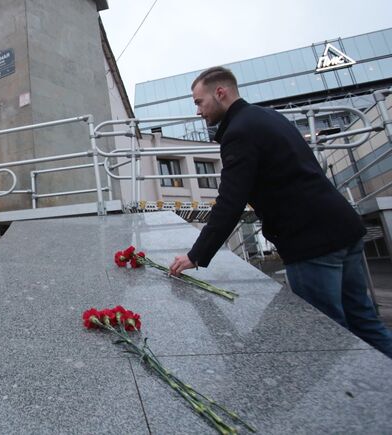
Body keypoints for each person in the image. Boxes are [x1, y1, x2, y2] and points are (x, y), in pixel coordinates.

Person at [168, 66, 392, 358]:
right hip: (343, 229)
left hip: (312, 243)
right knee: (365, 321)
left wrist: (195, 255)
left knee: (326, 336)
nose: (198, 111)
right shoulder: (269, 117)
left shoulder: (238, 133)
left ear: (220, 93)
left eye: (199, 102)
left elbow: (230, 202)